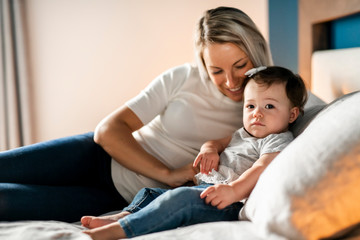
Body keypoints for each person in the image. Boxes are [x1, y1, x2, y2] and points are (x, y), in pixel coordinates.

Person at [0, 6, 272, 222]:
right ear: (203, 64)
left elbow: (309, 111)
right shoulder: (183, 78)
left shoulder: (274, 100)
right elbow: (108, 131)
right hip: (95, 156)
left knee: (5, 201)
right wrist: (166, 174)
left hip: (118, 198)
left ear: (256, 50)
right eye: (216, 71)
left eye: (240, 65)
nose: (231, 82)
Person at [80, 66, 308, 239]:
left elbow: (262, 167)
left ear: (292, 115)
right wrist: (210, 150)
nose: (257, 114)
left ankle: (119, 231)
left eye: (269, 106)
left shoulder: (276, 140)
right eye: (250, 106)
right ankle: (123, 216)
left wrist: (233, 191)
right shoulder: (244, 133)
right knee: (152, 193)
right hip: (204, 188)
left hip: (228, 203)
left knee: (179, 200)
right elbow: (217, 142)